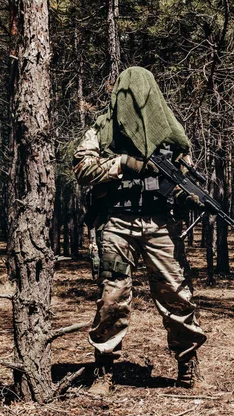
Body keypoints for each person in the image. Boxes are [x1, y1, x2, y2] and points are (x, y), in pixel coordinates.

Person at [73, 67, 207, 396]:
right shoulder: (103, 127)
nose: (131, 98)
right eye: (125, 92)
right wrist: (122, 164)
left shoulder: (169, 131)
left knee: (176, 294)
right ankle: (103, 368)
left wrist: (188, 196)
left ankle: (187, 361)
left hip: (161, 223)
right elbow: (82, 168)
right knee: (112, 298)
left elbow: (183, 175)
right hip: (116, 222)